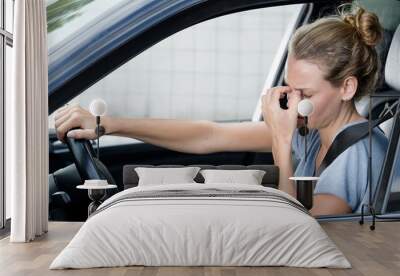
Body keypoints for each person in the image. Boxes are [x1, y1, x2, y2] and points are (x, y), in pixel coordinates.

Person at [54, 6, 388, 216]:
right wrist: (107, 124)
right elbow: (210, 134)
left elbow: (299, 222)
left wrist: (281, 141)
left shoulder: (359, 155)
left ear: (346, 88)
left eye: (307, 92)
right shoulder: (314, 131)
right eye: (290, 87)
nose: (292, 101)